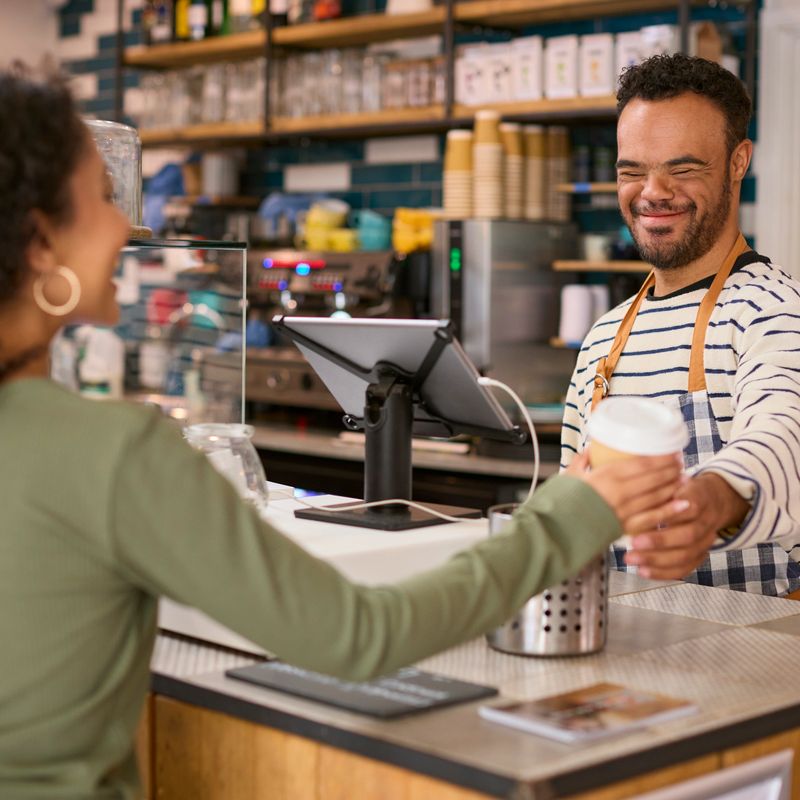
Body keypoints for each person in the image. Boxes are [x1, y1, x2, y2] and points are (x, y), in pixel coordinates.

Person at [0, 67, 683, 800]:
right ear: (40, 241)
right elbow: (358, 636)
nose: (129, 226)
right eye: (104, 198)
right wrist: (576, 512)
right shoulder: (113, 453)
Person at [561, 53, 800, 597]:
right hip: (621, 639)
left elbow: (782, 441)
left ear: (738, 162)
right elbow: (569, 507)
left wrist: (710, 501)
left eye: (684, 168)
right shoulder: (603, 339)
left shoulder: (773, 312)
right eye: (632, 171)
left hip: (756, 645)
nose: (653, 191)